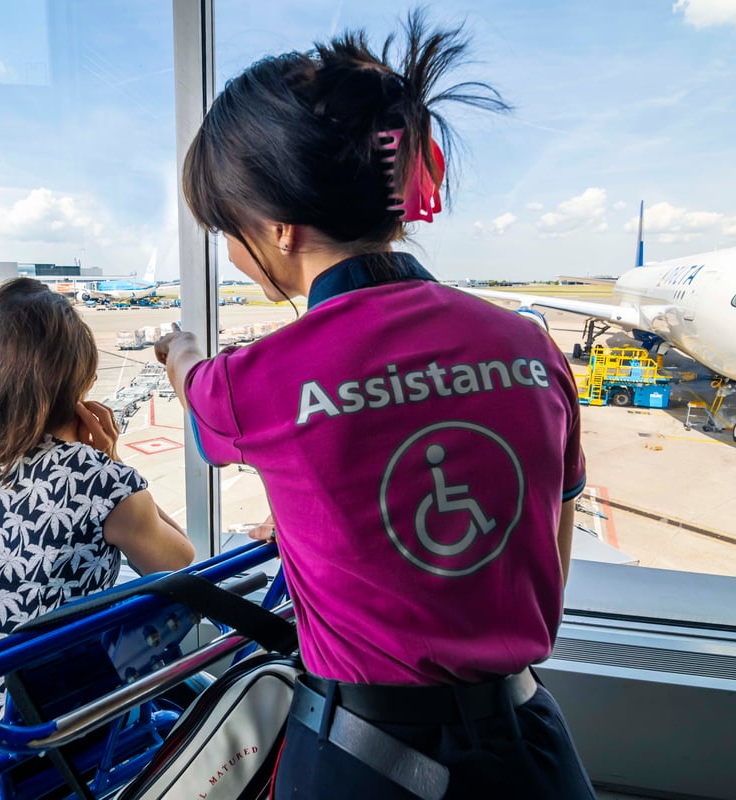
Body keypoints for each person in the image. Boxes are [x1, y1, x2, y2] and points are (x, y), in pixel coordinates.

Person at [155, 12, 594, 800]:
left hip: (360, 762)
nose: (229, 249)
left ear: (278, 230)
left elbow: (201, 402)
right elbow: (552, 547)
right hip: (530, 749)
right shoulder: (531, 349)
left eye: (228, 229)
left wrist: (180, 352)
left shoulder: (256, 381)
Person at [0, 278, 194, 798]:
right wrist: (112, 462)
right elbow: (178, 563)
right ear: (79, 379)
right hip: (19, 749)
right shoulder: (96, 478)